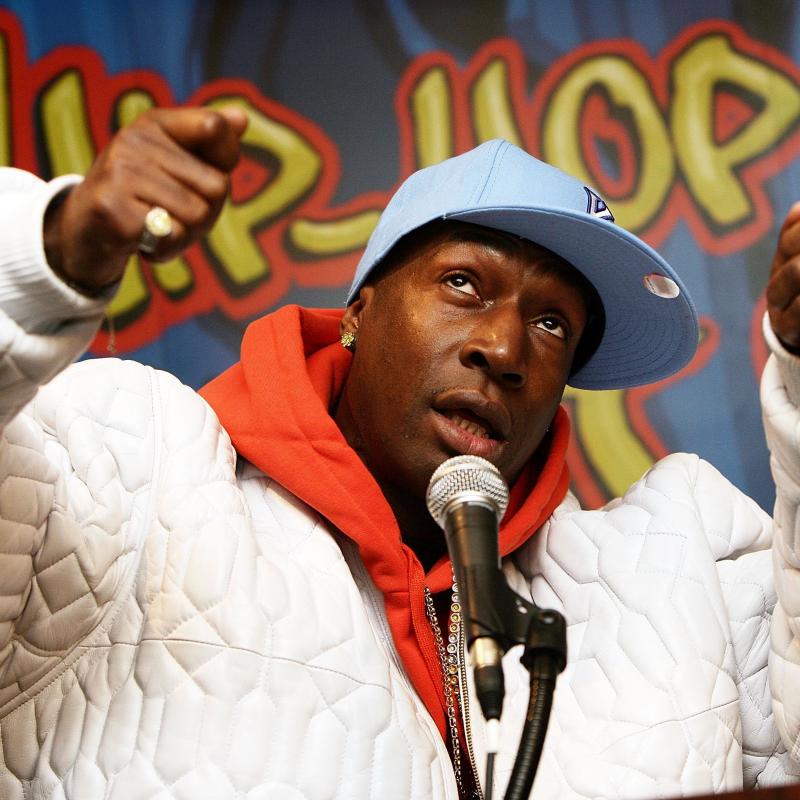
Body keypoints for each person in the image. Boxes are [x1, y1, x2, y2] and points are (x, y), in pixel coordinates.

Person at [0, 106, 797, 800]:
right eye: (462, 284)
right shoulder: (142, 470)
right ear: (358, 313)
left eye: (553, 323)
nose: (505, 347)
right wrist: (47, 261)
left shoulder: (677, 573)